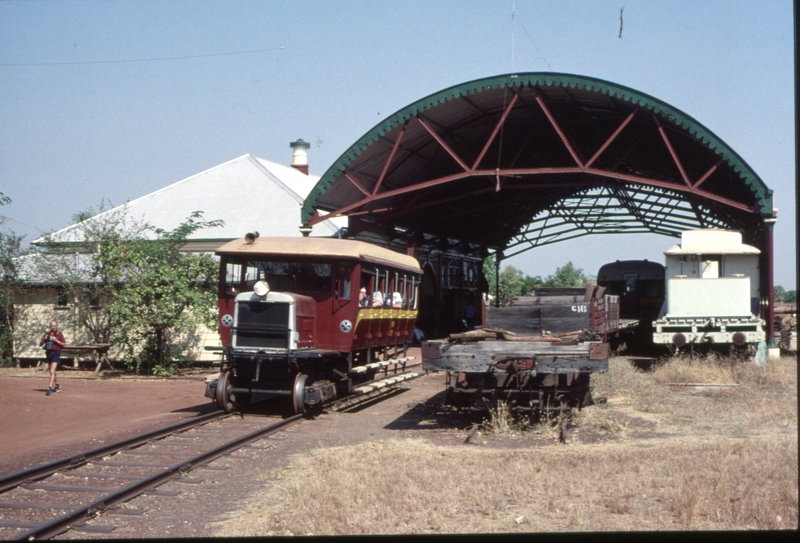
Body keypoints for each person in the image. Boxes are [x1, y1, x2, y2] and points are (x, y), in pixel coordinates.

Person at [39, 320, 66, 396]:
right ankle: (57, 386)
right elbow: (40, 344)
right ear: (50, 326)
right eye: (52, 326)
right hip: (49, 353)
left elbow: (64, 345)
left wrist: (56, 341)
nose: (53, 327)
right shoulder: (47, 334)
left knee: (51, 370)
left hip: (56, 353)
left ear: (56, 326)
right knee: (52, 371)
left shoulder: (59, 334)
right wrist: (44, 339)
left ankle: (49, 388)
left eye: (54, 326)